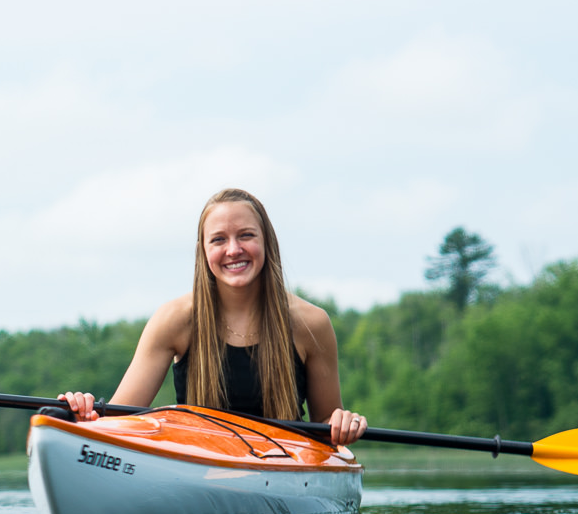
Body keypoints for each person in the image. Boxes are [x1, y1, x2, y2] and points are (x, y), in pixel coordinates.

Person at [60, 188, 367, 446]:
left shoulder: (311, 323)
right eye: (219, 239)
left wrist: (342, 423)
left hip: (284, 465)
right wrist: (83, 411)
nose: (234, 250)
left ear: (266, 242)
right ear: (203, 251)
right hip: (199, 462)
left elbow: (327, 425)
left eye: (246, 235)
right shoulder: (175, 319)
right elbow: (117, 418)